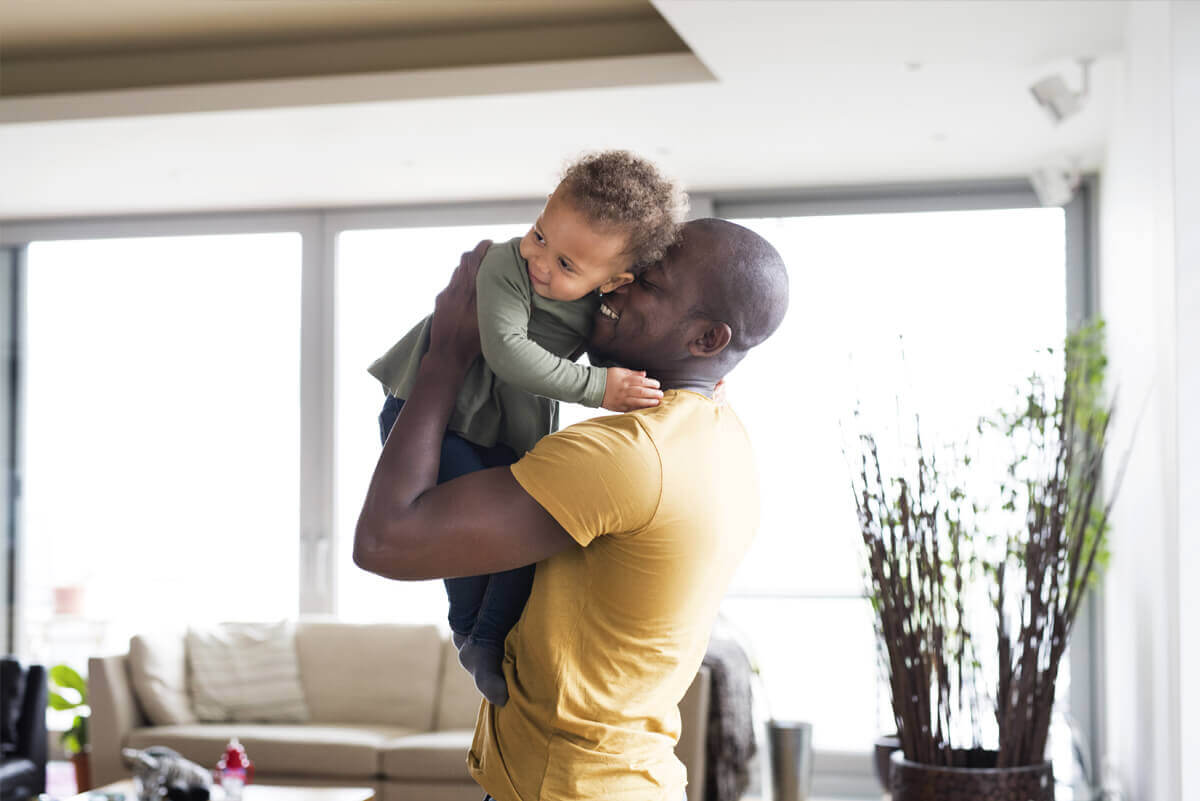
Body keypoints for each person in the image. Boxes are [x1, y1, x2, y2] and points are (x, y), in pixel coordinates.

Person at [354, 217, 789, 801]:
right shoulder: (720, 435)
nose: (613, 285)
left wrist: (445, 357)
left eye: (647, 284)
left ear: (708, 339)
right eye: (624, 268)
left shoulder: (626, 457)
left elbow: (385, 542)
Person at [369, 151, 687, 704]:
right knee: (463, 539)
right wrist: (599, 389)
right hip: (434, 420)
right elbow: (508, 353)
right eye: (540, 236)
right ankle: (470, 630)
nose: (541, 262)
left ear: (614, 280)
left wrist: (681, 382)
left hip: (499, 430)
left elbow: (626, 349)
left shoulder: (595, 308)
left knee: (521, 545)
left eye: (568, 265)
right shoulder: (502, 266)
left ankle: (486, 637)